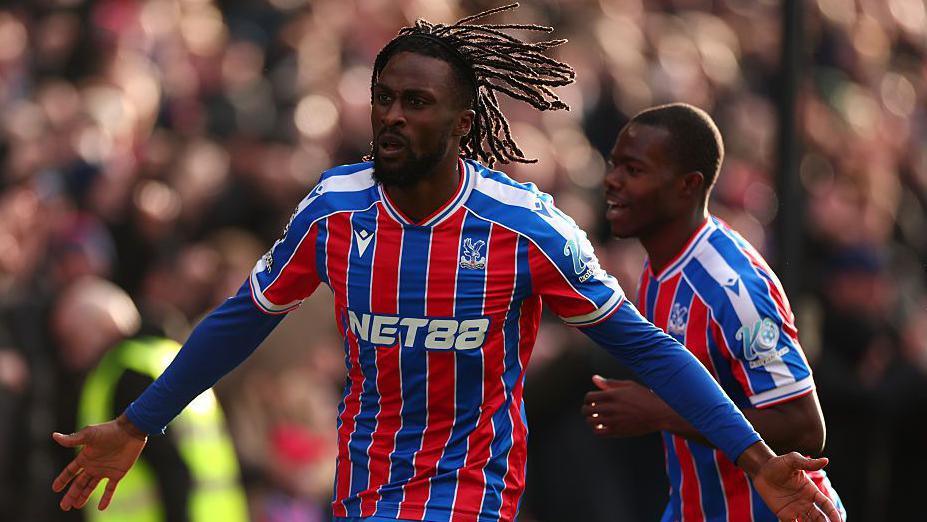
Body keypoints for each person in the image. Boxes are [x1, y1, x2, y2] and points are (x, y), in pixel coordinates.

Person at [53, 6, 840, 522]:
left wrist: (755, 459)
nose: (392, 116)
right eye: (384, 98)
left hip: (471, 498)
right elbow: (240, 321)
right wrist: (136, 423)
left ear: (462, 124)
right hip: (363, 494)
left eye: (416, 103)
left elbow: (648, 349)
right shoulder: (333, 211)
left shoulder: (526, 229)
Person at [582, 103, 847, 521]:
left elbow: (804, 427)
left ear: (688, 185)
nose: (612, 180)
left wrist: (659, 412)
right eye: (614, 165)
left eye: (633, 170)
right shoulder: (657, 268)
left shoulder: (733, 289)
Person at [52, 276, 249, 522]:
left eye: (69, 339)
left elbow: (170, 467)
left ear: (100, 326)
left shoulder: (125, 374)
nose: (67, 356)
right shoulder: (170, 356)